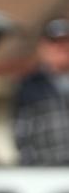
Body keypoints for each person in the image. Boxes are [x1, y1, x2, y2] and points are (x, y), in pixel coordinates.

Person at [13, 17, 69, 165]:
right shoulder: (30, 86)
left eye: (65, 41)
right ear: (43, 47)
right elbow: (22, 136)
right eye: (55, 42)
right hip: (47, 173)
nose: (61, 47)